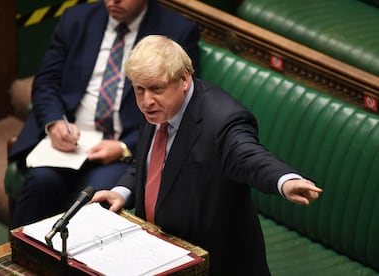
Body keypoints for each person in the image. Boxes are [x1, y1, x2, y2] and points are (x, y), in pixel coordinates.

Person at [91, 35, 323, 275]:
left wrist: (284, 180)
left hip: (214, 264)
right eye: (139, 89)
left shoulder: (223, 119)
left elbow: (248, 155)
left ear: (183, 79)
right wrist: (121, 192)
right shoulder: (159, 108)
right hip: (157, 252)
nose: (146, 101)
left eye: (156, 89)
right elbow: (148, 162)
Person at [9, 0, 200, 229]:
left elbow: (178, 104)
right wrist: (55, 123)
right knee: (40, 183)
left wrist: (123, 148)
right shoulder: (76, 18)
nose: (114, 1)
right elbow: (46, 81)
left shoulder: (176, 32)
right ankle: (17, 257)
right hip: (69, 140)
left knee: (92, 204)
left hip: (122, 148)